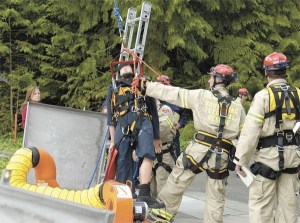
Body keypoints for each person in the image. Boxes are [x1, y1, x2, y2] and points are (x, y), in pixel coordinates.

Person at [143, 64, 246, 222]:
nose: (209, 80)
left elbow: (173, 93)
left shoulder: (201, 96)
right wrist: (241, 159)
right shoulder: (238, 106)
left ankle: (160, 216)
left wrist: (147, 86)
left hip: (198, 150)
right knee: (216, 198)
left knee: (177, 181)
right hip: (222, 156)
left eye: (211, 77)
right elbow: (245, 134)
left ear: (218, 80)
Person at [234, 52, 300, 223]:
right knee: (288, 206)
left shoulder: (263, 96)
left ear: (266, 72)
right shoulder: (298, 95)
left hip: (267, 159)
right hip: (293, 157)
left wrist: (240, 161)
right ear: (285, 71)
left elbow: (251, 132)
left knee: (261, 206)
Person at [106, 63, 164, 208]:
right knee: (122, 159)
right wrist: (112, 140)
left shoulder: (143, 85)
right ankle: (123, 193)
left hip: (143, 121)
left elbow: (154, 113)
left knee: (147, 154)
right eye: (123, 68)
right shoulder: (113, 88)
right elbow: (110, 117)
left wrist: (156, 137)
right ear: (119, 73)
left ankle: (144, 193)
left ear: (134, 71)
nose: (126, 68)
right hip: (122, 124)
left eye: (128, 67)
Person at [150, 99, 177, 198]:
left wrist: (146, 135)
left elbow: (163, 128)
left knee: (162, 185)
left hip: (163, 153)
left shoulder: (164, 110)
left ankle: (162, 211)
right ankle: (151, 210)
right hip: (149, 153)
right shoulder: (144, 110)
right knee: (148, 187)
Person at [156, 75, 188, 157]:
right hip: (160, 135)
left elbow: (184, 116)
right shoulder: (156, 101)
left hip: (174, 134)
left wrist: (180, 124)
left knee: (175, 156)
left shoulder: (177, 100)